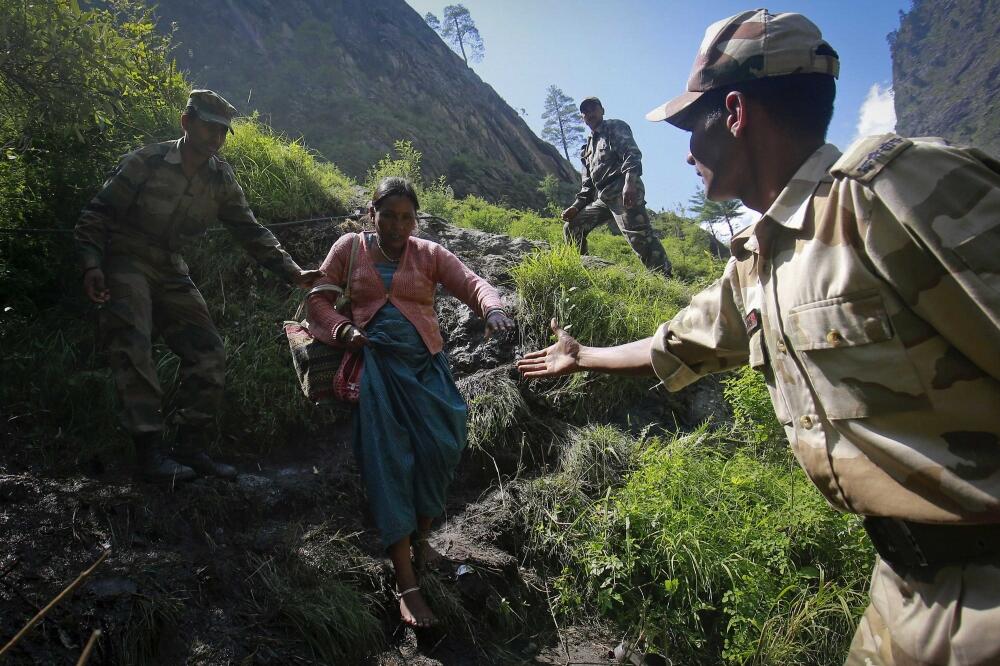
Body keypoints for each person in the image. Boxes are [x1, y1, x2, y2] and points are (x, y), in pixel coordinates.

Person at [519, 9, 1000, 665]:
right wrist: (582, 357)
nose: (686, 153)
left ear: (736, 112)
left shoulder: (891, 192)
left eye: (692, 126)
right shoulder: (758, 262)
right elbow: (675, 343)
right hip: (904, 589)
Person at [74, 89, 321, 483]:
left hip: (171, 267)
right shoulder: (146, 161)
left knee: (209, 351)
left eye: (222, 132)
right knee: (133, 346)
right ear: (187, 122)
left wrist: (293, 272)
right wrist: (91, 265)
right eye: (209, 128)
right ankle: (149, 454)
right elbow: (97, 214)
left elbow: (250, 230)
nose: (216, 138)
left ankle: (189, 448)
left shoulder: (221, 178)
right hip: (125, 259)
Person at [308, 177, 515, 628]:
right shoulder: (349, 248)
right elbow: (317, 300)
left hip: (427, 368)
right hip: (378, 369)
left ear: (415, 220)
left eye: (407, 218)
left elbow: (473, 283)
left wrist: (493, 308)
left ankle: (422, 541)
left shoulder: (429, 253)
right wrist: (344, 328)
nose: (398, 226)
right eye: (388, 216)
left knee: (443, 446)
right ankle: (407, 584)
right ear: (372, 214)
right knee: (390, 462)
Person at [561, 97, 672, 276]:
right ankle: (582, 273)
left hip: (622, 189)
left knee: (639, 238)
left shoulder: (614, 127)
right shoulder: (586, 148)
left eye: (593, 109)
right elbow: (588, 185)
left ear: (602, 111)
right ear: (583, 118)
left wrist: (630, 183)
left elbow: (631, 154)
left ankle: (665, 279)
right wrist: (576, 206)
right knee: (572, 227)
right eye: (585, 111)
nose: (589, 113)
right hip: (603, 197)